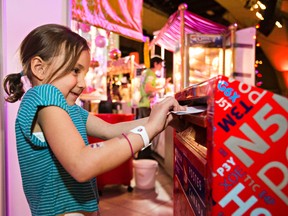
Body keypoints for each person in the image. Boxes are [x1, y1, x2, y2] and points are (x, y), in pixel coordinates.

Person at [3, 24, 186, 216]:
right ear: (39, 68)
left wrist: (161, 120)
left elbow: (109, 130)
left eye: (84, 74)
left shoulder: (68, 108)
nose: (83, 83)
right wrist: (148, 131)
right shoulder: (44, 95)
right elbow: (82, 164)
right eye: (75, 71)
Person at [137, 55, 171, 159]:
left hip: (142, 103)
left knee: (143, 130)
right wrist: (162, 87)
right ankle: (145, 155)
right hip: (147, 104)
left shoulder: (145, 73)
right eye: (161, 64)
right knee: (148, 130)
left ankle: (142, 154)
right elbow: (148, 89)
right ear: (155, 64)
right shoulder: (151, 73)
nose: (161, 67)